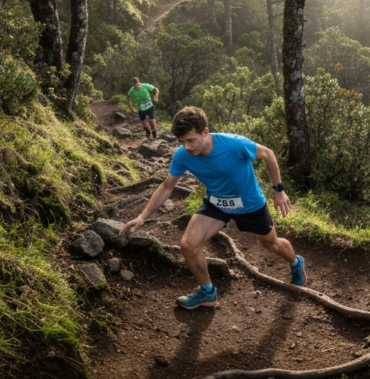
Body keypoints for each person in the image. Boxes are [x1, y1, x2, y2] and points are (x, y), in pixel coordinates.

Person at [119, 106, 307, 309]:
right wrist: (142, 216)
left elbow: (268, 155)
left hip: (250, 204)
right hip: (217, 203)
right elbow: (167, 186)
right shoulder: (183, 155)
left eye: (191, 140)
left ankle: (296, 263)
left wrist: (279, 190)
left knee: (271, 244)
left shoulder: (234, 144)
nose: (187, 147)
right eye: (182, 142)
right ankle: (207, 292)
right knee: (188, 245)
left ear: (205, 132)